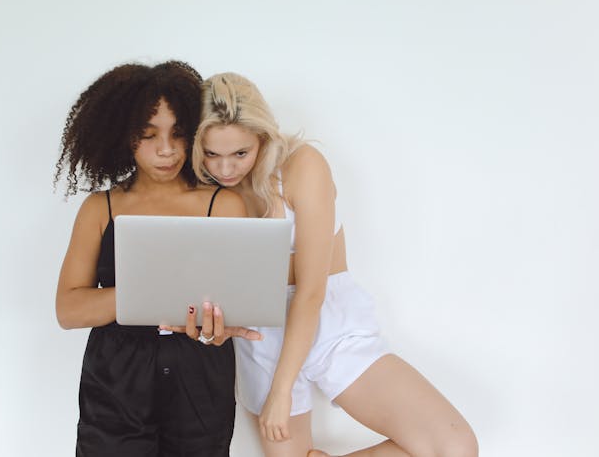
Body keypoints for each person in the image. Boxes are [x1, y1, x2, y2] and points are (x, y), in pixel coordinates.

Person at [189, 72, 479, 457]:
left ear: (262, 137)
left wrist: (282, 390)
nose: (225, 170)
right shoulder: (204, 191)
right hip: (262, 334)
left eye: (240, 153)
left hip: (329, 322)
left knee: (454, 447)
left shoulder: (302, 165)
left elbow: (310, 291)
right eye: (212, 154)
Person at [53, 61, 254, 457]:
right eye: (148, 135)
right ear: (124, 136)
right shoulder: (101, 208)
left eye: (179, 134)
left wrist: (218, 326)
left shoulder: (223, 205)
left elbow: (238, 304)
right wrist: (152, 291)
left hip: (200, 380)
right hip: (115, 383)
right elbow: (68, 310)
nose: (166, 149)